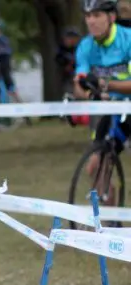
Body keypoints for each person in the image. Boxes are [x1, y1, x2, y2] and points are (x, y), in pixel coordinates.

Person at [74, 0, 131, 206]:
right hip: (112, 111)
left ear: (112, 17)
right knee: (96, 166)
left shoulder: (128, 40)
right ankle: (110, 226)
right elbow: (79, 85)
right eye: (88, 16)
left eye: (97, 15)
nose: (91, 21)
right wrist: (88, 93)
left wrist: (105, 85)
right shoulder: (86, 47)